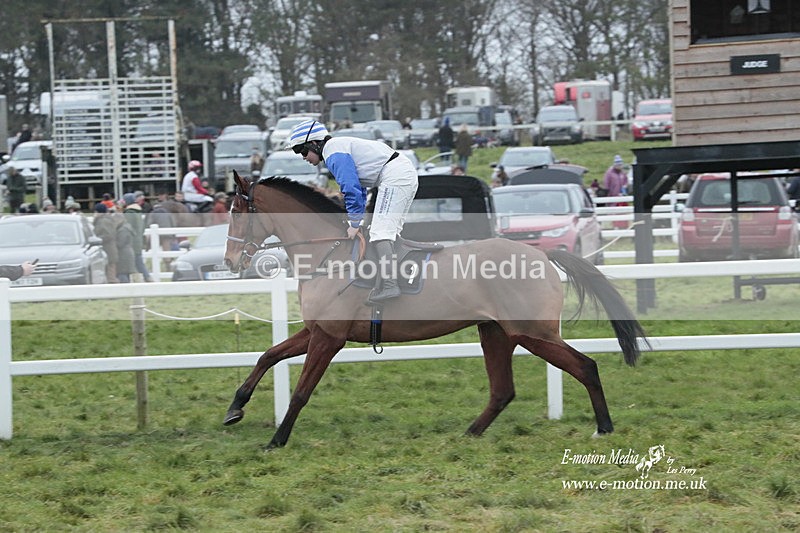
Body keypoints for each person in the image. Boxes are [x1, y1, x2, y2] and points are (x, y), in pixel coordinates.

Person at [288, 119, 419, 304]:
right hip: (399, 174)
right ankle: (394, 279)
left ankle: (390, 285)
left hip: (395, 176)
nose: (303, 157)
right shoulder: (334, 150)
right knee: (387, 232)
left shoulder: (333, 152)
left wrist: (354, 223)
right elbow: (358, 188)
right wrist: (357, 219)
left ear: (315, 144)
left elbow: (351, 188)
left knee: (381, 232)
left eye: (302, 150)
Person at [123, 192, 153, 282]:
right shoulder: (137, 212)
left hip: (131, 242)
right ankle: (146, 278)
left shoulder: (129, 213)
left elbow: (127, 228)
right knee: (138, 262)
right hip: (138, 241)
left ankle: (147, 278)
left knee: (136, 263)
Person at [93, 203, 119, 282]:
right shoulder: (106, 220)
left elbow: (108, 235)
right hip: (108, 250)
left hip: (108, 250)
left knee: (111, 276)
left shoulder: (103, 221)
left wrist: (97, 240)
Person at [604, 155, 629, 229]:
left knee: (622, 212)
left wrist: (624, 187)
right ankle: (615, 227)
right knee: (614, 213)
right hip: (612, 196)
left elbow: (625, 181)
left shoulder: (622, 173)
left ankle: (623, 227)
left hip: (621, 196)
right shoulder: (609, 173)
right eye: (618, 164)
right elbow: (606, 184)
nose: (619, 166)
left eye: (620, 164)